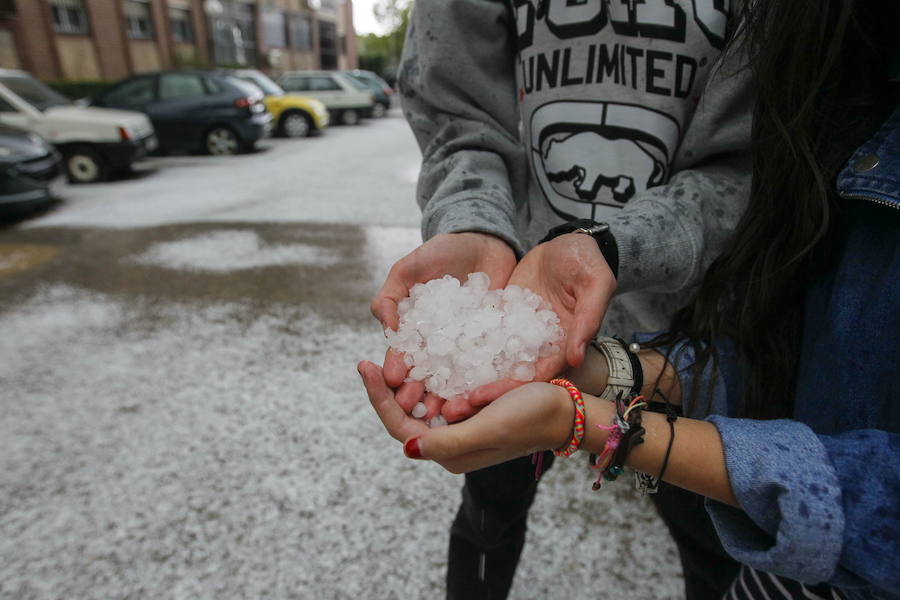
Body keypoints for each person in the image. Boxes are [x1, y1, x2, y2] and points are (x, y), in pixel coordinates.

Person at [361, 0, 900, 597]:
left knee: (713, 540)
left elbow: (759, 160)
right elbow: (456, 111)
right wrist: (473, 223)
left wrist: (615, 248)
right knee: (487, 521)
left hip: (692, 335)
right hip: (514, 304)